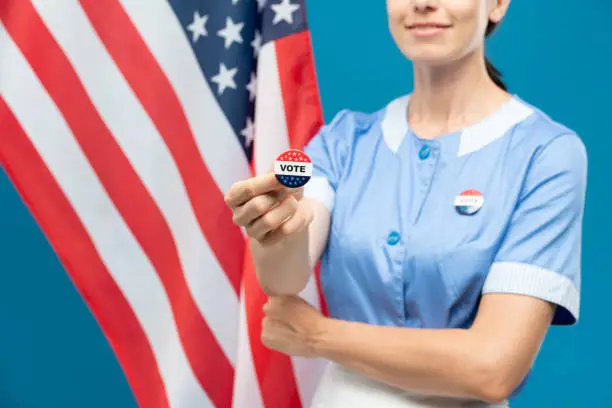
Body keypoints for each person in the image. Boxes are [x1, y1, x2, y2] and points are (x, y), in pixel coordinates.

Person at [225, 0, 588, 406]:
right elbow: (284, 280)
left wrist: (317, 335)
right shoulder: (344, 141)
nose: (422, 3)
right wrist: (275, 227)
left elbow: (494, 367)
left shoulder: (546, 154)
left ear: (498, 4)